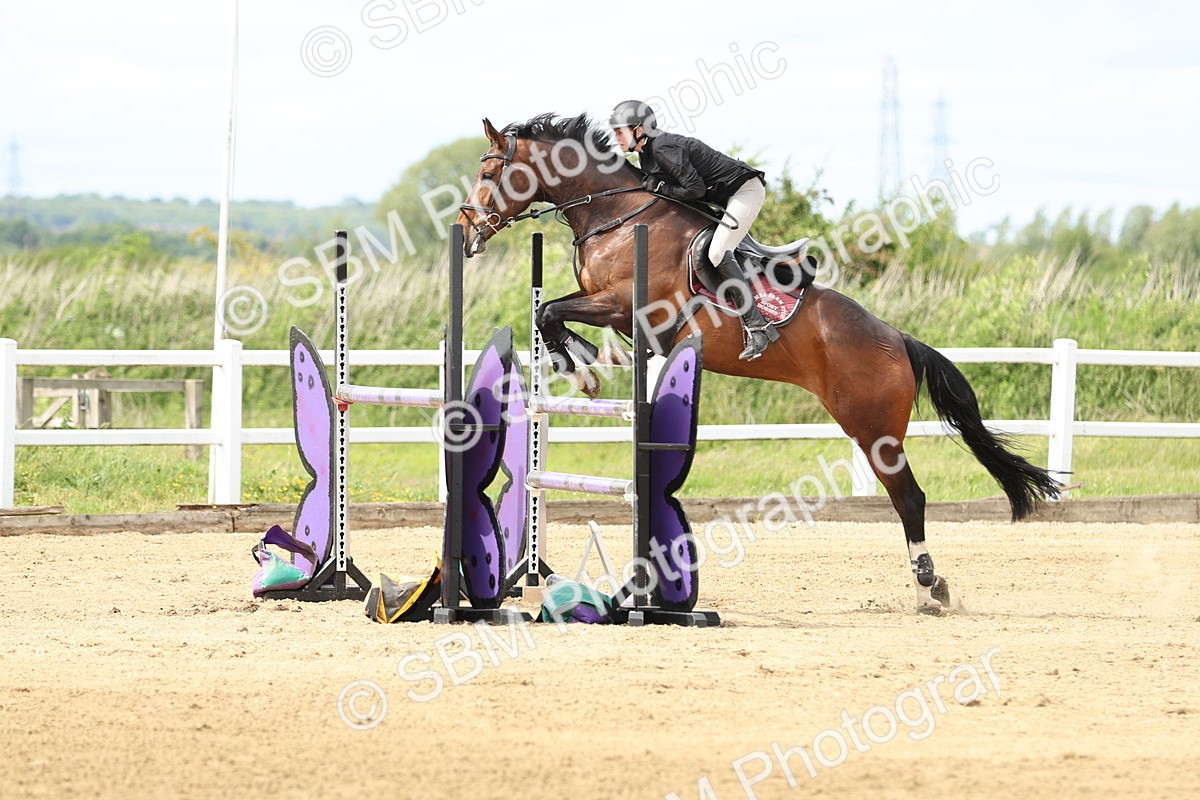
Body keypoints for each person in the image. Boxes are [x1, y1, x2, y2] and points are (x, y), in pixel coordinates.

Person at [609, 99, 777, 361]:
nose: (616, 137)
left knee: (718, 253)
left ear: (639, 131)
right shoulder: (647, 152)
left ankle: (758, 327)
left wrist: (662, 188)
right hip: (719, 198)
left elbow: (694, 189)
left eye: (620, 131)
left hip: (744, 192)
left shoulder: (664, 148)